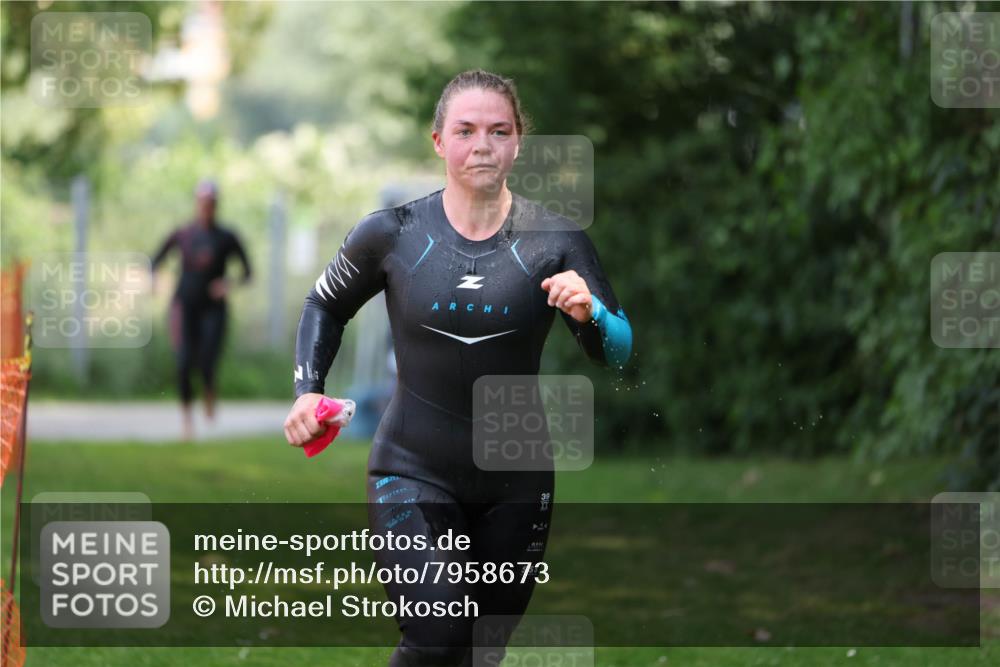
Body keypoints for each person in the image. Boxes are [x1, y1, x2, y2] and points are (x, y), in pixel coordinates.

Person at [284, 69, 632, 666]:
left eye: (499, 131)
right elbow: (324, 303)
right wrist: (305, 391)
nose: (482, 146)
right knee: (437, 635)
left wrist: (593, 312)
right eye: (465, 130)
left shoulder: (555, 239)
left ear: (518, 141)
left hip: (517, 481)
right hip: (410, 468)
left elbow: (618, 350)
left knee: (480, 652)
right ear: (439, 140)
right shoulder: (392, 234)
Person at [152, 180, 252, 441]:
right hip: (185, 306)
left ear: (216, 205)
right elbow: (156, 260)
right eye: (202, 202)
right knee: (184, 362)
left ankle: (209, 388)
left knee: (207, 360)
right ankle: (187, 421)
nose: (206, 207)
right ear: (197, 204)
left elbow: (248, 273)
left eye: (211, 203)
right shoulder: (184, 234)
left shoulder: (227, 237)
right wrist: (156, 280)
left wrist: (227, 284)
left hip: (213, 309)